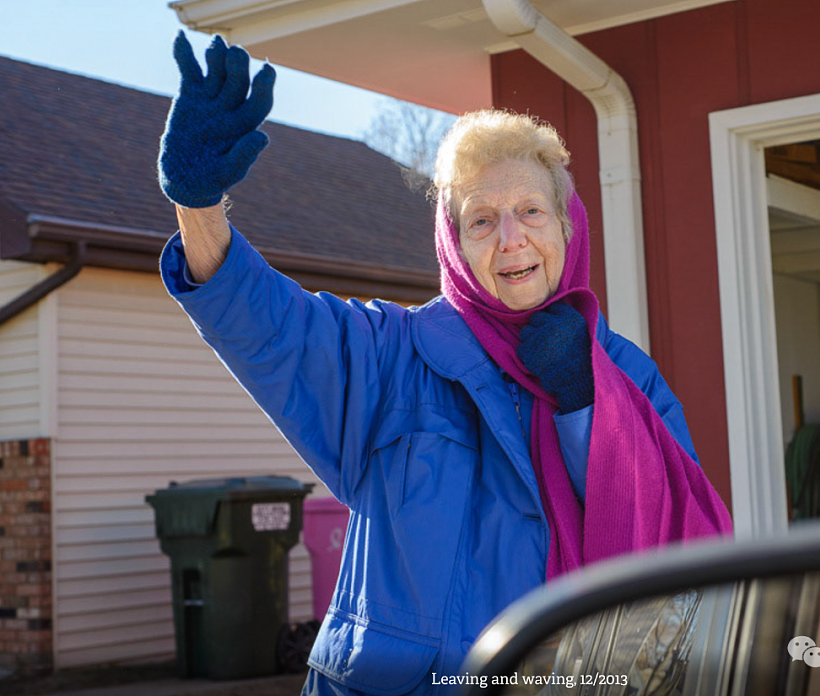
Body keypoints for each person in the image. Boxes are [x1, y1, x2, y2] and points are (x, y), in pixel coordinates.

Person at [156, 32, 733, 695]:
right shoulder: (392, 355)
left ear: (567, 228)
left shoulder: (629, 376)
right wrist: (198, 206)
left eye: (530, 212)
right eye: (482, 221)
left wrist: (582, 398)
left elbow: (681, 539)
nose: (511, 238)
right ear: (454, 246)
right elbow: (267, 325)